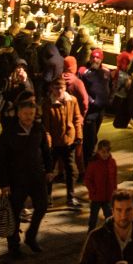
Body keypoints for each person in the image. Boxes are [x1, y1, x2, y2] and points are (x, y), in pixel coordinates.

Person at [0, 96, 54, 257]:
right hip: (17, 179)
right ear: (19, 114)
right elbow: (1, 159)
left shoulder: (38, 128)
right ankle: (13, 245)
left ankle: (31, 236)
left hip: (36, 176)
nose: (29, 117)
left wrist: (49, 170)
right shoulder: (9, 132)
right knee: (14, 212)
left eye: (31, 114)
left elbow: (46, 150)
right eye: (26, 114)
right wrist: (4, 183)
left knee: (42, 205)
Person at [43, 77, 85, 207]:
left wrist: (78, 136)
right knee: (49, 170)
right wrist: (48, 142)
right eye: (56, 88)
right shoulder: (48, 103)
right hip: (54, 143)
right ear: (52, 89)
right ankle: (47, 197)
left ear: (65, 88)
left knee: (71, 170)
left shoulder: (72, 100)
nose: (59, 91)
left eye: (61, 88)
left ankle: (71, 197)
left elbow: (77, 118)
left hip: (69, 141)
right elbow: (46, 126)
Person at [84, 139, 119, 232]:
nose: (105, 154)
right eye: (103, 152)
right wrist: (93, 190)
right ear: (98, 151)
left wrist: (115, 190)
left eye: (107, 152)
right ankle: (91, 232)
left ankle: (111, 232)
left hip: (108, 196)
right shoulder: (93, 163)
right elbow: (87, 179)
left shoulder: (112, 162)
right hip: (96, 196)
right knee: (93, 217)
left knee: (109, 216)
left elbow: (114, 177)